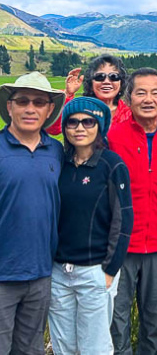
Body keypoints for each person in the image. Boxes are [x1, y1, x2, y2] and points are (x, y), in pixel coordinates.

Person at [109, 68, 157, 355]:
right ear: (128, 99)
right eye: (140, 92)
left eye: (155, 92)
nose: (148, 99)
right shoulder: (113, 137)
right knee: (116, 318)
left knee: (154, 319)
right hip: (121, 245)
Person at [48, 97, 134, 354]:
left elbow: (124, 219)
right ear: (64, 128)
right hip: (58, 271)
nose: (80, 128)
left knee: (94, 347)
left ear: (99, 126)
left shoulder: (111, 164)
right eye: (72, 122)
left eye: (88, 121)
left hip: (95, 270)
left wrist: (110, 269)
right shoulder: (59, 164)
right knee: (64, 346)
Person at [0, 72, 65, 354]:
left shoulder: (57, 151)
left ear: (49, 110)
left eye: (39, 102)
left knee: (30, 349)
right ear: (9, 106)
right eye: (22, 101)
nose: (30, 108)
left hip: (41, 274)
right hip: (2, 275)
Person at [47, 54, 131, 135]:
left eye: (114, 76)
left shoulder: (130, 113)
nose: (106, 82)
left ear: (121, 82)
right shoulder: (80, 109)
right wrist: (67, 94)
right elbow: (53, 129)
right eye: (100, 76)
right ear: (91, 83)